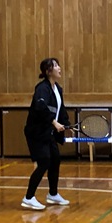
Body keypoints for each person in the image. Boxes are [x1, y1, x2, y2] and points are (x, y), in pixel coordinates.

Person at [22, 57, 72, 210]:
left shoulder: (58, 89)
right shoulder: (42, 88)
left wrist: (66, 123)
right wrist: (54, 122)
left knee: (55, 160)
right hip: (36, 133)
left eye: (58, 65)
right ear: (48, 71)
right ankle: (28, 197)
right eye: (55, 66)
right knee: (44, 161)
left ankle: (53, 194)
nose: (59, 68)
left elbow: (61, 109)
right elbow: (41, 107)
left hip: (48, 132)